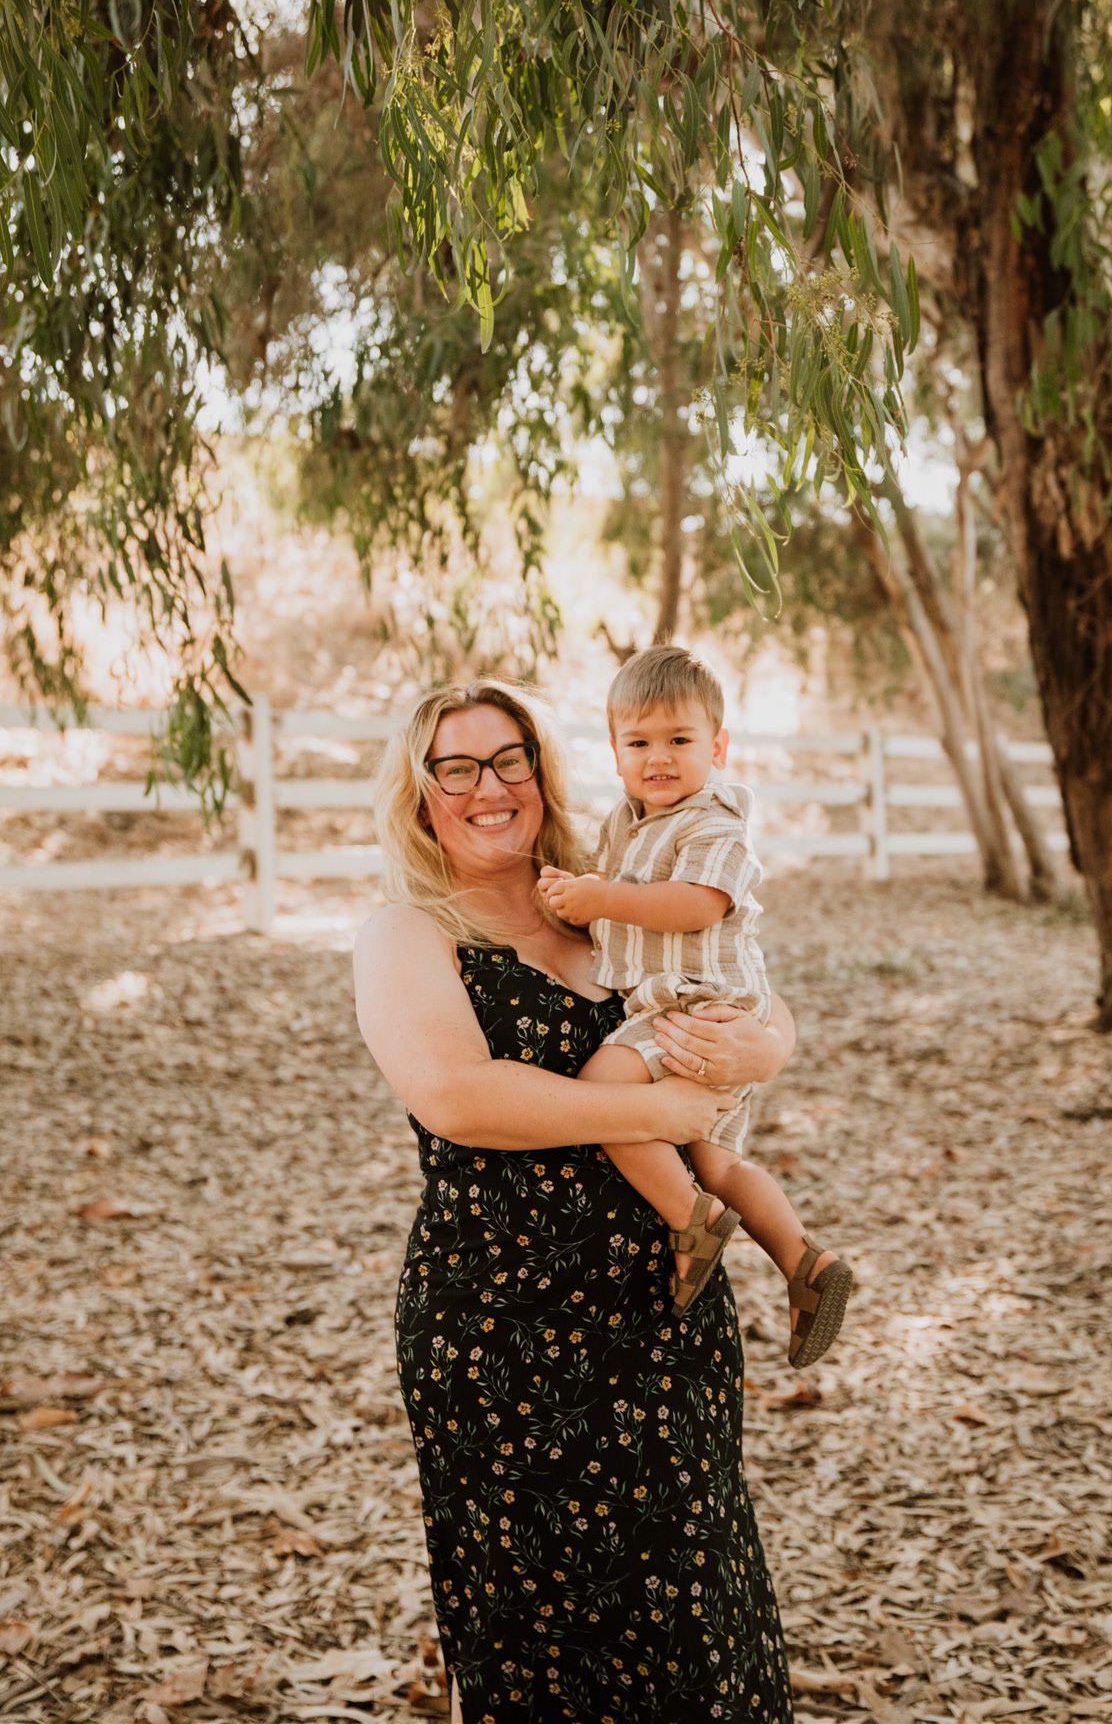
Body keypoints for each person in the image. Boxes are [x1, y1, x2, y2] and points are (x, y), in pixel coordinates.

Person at [353, 677, 796, 1723]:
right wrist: (659, 1109)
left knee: (696, 1608)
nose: (487, 786)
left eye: (507, 759)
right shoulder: (408, 933)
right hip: (503, 1335)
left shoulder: (607, 901)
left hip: (663, 1305)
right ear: (421, 794)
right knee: (543, 1633)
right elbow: (458, 1097)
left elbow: (747, 983)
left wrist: (769, 1045)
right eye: (455, 768)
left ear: (541, 772)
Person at [538, 646, 853, 1368]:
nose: (658, 758)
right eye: (638, 743)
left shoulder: (713, 821)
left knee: (605, 1098)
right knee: (718, 1161)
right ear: (614, 752)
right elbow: (614, 899)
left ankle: (692, 1220)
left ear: (717, 748)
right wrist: (574, 895)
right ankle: (804, 1262)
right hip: (695, 1013)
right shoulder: (627, 822)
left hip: (695, 1006)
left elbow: (694, 905)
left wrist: (601, 898)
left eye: (678, 739)